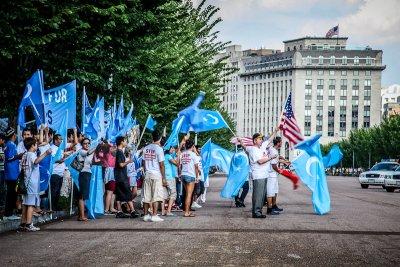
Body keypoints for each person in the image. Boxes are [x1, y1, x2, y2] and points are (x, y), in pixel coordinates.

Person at [240, 133, 277, 218]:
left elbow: (268, 140)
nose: (261, 140)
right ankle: (256, 212)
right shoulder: (253, 150)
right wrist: (271, 157)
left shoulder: (261, 148)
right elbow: (260, 161)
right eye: (259, 139)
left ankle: (258, 211)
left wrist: (275, 131)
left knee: (262, 195)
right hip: (258, 175)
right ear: (255, 141)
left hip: (264, 175)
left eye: (261, 139)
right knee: (258, 194)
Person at [19, 137, 51, 231]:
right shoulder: (31, 154)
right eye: (36, 144)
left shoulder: (25, 154)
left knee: (25, 203)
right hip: (31, 182)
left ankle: (23, 223)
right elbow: (36, 161)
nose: (37, 146)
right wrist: (46, 153)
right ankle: (29, 224)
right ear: (32, 146)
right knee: (31, 204)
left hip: (26, 181)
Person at [142, 130, 167, 222]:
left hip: (147, 174)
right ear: (160, 138)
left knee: (146, 195)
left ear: (152, 137)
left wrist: (145, 172)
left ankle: (145, 215)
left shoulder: (146, 148)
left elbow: (143, 163)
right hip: (156, 174)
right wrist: (164, 178)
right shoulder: (159, 149)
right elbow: (162, 165)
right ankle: (154, 215)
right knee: (156, 195)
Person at [114, 136, 138, 219]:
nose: (126, 143)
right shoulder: (120, 152)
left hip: (118, 176)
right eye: (125, 141)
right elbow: (121, 164)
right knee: (128, 193)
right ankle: (132, 211)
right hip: (121, 176)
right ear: (121, 142)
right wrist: (128, 161)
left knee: (119, 194)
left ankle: (119, 211)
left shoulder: (118, 152)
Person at [266, 136, 289, 214]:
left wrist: (285, 161)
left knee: (275, 190)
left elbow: (277, 158)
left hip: (274, 174)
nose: (282, 143)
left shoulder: (274, 150)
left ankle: (274, 205)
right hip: (270, 174)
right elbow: (273, 164)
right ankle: (269, 209)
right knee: (270, 192)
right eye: (281, 142)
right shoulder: (273, 151)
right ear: (278, 143)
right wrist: (280, 171)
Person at [3, 127, 22, 220]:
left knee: (12, 193)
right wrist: (19, 156)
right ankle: (8, 214)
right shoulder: (11, 145)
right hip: (12, 174)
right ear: (13, 135)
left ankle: (9, 213)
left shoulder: (8, 144)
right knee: (11, 194)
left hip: (11, 173)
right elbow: (9, 158)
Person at [76, 138, 96, 221]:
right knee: (82, 196)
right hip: (83, 174)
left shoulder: (89, 153)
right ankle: (82, 216)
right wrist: (97, 146)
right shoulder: (81, 151)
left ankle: (81, 215)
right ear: (82, 144)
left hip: (87, 173)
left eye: (88, 143)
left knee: (84, 195)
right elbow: (88, 153)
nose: (87, 145)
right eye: (85, 143)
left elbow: (91, 162)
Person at [180, 139, 200, 217]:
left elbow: (180, 165)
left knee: (187, 194)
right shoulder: (193, 154)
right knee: (189, 194)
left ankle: (186, 211)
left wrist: (180, 174)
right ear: (192, 146)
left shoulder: (182, 154)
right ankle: (187, 212)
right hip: (190, 175)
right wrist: (197, 177)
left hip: (183, 175)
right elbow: (196, 167)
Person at [162, 146, 178, 216]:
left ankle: (163, 211)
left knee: (164, 195)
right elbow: (177, 163)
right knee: (173, 194)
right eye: (172, 148)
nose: (173, 149)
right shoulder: (168, 156)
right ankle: (168, 211)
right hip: (170, 177)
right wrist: (178, 156)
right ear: (168, 149)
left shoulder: (163, 156)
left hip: (164, 177)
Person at [192, 145, 205, 210]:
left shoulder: (198, 156)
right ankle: (193, 202)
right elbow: (195, 166)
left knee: (202, 190)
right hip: (196, 175)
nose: (200, 150)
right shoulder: (194, 156)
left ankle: (194, 201)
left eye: (200, 149)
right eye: (199, 149)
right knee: (197, 190)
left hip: (201, 176)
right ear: (195, 149)